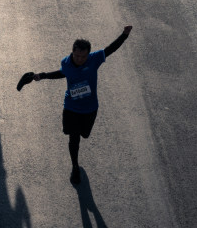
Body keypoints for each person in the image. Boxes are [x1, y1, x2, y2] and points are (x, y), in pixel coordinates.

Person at [17, 26, 133, 186]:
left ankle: (77, 160)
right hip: (71, 108)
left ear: (88, 54)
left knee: (84, 135)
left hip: (90, 108)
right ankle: (75, 167)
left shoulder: (94, 59)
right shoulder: (66, 62)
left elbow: (110, 49)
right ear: (72, 52)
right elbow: (62, 73)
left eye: (83, 56)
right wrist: (41, 76)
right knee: (74, 137)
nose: (79, 59)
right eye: (76, 55)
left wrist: (124, 35)